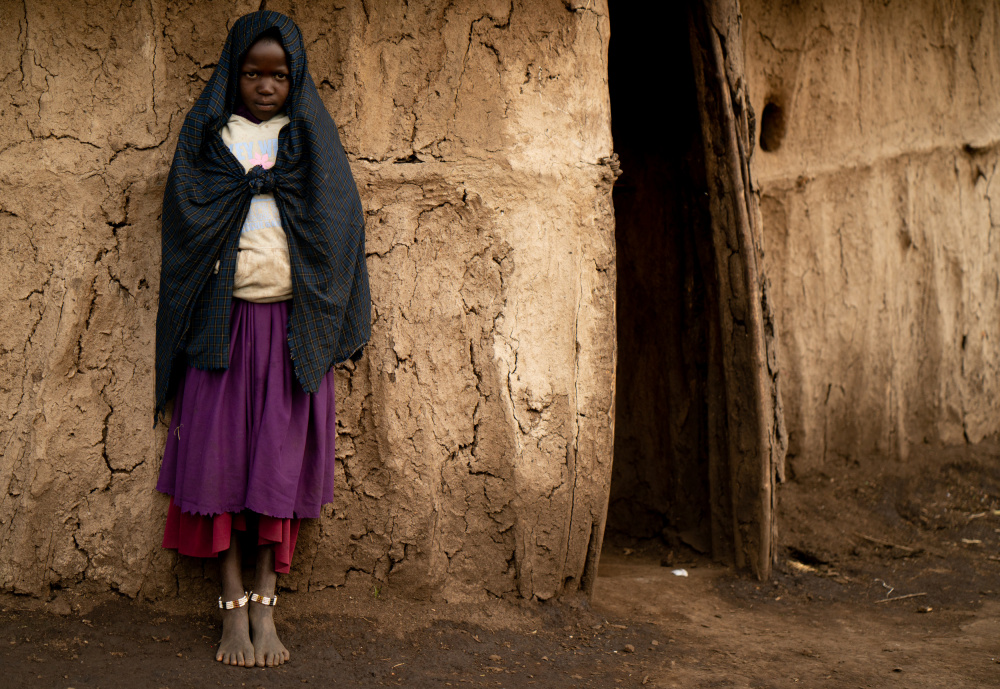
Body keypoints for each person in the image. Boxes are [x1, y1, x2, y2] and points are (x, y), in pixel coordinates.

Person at [153, 6, 369, 668]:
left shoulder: (308, 142)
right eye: (252, 72)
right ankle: (230, 606)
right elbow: (185, 221)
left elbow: (339, 225)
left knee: (276, 463)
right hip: (223, 330)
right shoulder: (210, 140)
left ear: (295, 75)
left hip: (288, 332)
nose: (266, 86)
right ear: (232, 74)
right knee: (217, 463)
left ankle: (268, 600)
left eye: (278, 74)